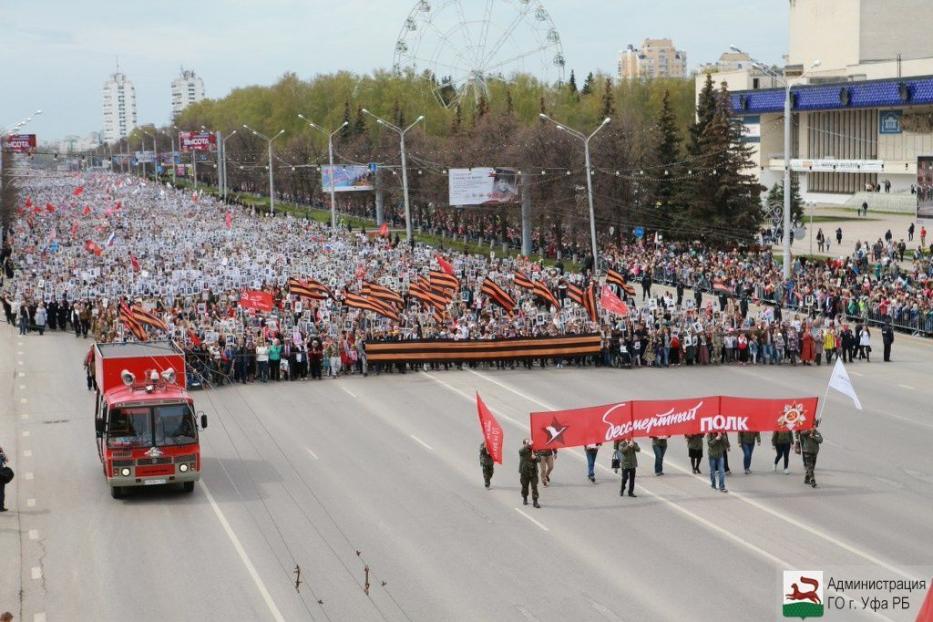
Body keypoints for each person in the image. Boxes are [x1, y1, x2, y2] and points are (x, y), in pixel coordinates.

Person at [518, 440, 540, 508]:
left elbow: (539, 459)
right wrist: (528, 445)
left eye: (529, 443)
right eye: (527, 443)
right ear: (524, 444)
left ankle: (535, 501)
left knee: (534, 487)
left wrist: (535, 457)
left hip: (533, 472)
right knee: (525, 486)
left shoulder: (534, 450)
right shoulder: (523, 451)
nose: (529, 444)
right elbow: (521, 451)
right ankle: (525, 498)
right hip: (524, 472)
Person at [0, 445, 9, 511]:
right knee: (1, 492)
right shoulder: (1, 455)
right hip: (1, 475)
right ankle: (1, 507)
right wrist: (2, 452)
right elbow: (7, 460)